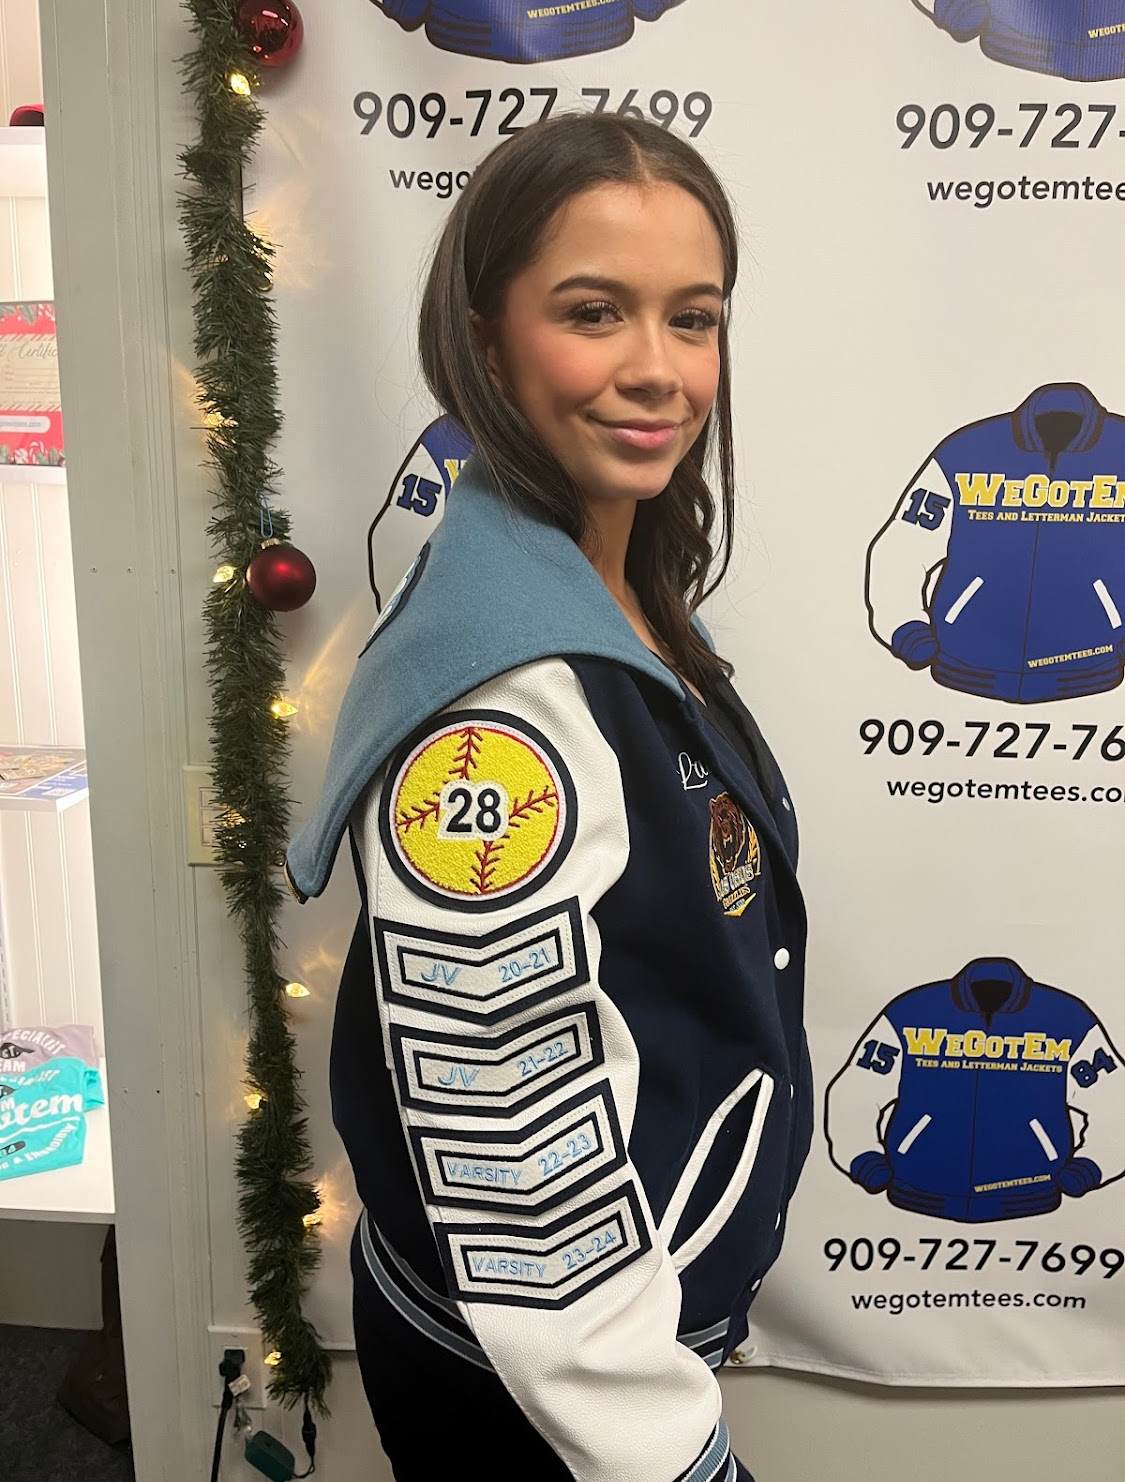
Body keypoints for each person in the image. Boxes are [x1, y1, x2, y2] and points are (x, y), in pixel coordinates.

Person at [285, 111, 812, 1482]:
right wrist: (673, 1456)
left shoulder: (610, 584)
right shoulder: (507, 710)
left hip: (598, 1344)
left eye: (691, 318)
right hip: (542, 1396)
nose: (658, 370)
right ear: (485, 337)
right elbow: (516, 1154)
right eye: (593, 313)